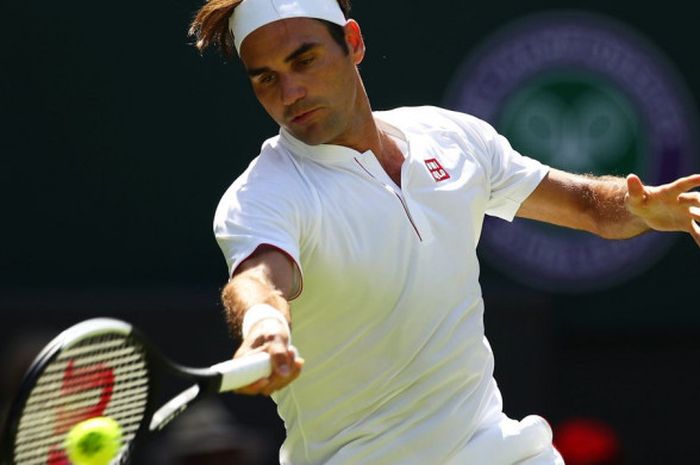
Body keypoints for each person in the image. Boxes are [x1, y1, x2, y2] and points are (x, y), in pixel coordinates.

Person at [188, 1, 700, 464]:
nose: (290, 93)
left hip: (500, 451)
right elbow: (258, 278)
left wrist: (644, 209)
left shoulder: (452, 138)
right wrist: (263, 323)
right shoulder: (263, 195)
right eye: (265, 79)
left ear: (354, 42)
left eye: (304, 61)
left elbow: (592, 208)